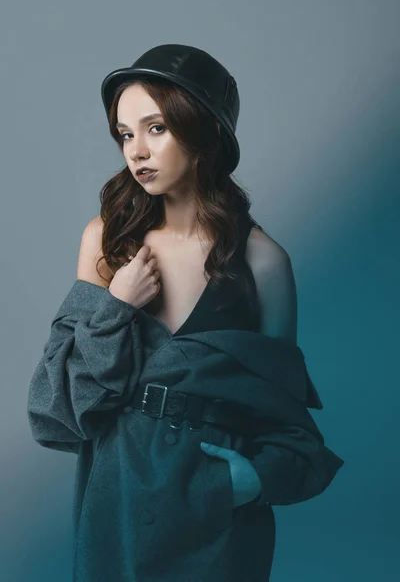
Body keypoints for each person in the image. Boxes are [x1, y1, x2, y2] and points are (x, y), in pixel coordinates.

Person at [27, 44, 344, 582]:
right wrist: (116, 307)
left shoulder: (264, 262)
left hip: (215, 514)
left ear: (206, 133)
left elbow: (289, 431)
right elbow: (55, 410)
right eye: (126, 134)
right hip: (117, 501)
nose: (136, 152)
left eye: (155, 129)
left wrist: (249, 480)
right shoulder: (107, 242)